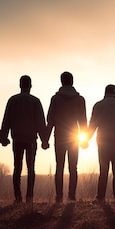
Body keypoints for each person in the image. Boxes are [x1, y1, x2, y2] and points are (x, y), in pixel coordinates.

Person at [1, 75, 49, 204]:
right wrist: (44, 139)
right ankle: (29, 197)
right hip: (31, 139)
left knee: (17, 168)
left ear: (20, 85)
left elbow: (7, 120)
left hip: (17, 138)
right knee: (31, 168)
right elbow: (40, 122)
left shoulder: (12, 100)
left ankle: (18, 197)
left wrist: (3, 137)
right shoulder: (35, 101)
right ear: (30, 86)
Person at [45, 71, 88, 202]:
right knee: (73, 167)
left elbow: (50, 119)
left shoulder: (55, 98)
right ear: (72, 81)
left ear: (61, 81)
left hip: (60, 136)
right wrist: (84, 139)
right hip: (74, 136)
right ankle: (72, 196)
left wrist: (45, 139)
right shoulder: (80, 99)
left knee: (59, 166)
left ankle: (59, 197)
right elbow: (82, 120)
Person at [88, 84, 115, 203]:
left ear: (105, 92)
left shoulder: (98, 105)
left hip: (103, 141)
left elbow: (93, 124)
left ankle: (101, 197)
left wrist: (86, 139)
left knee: (103, 169)